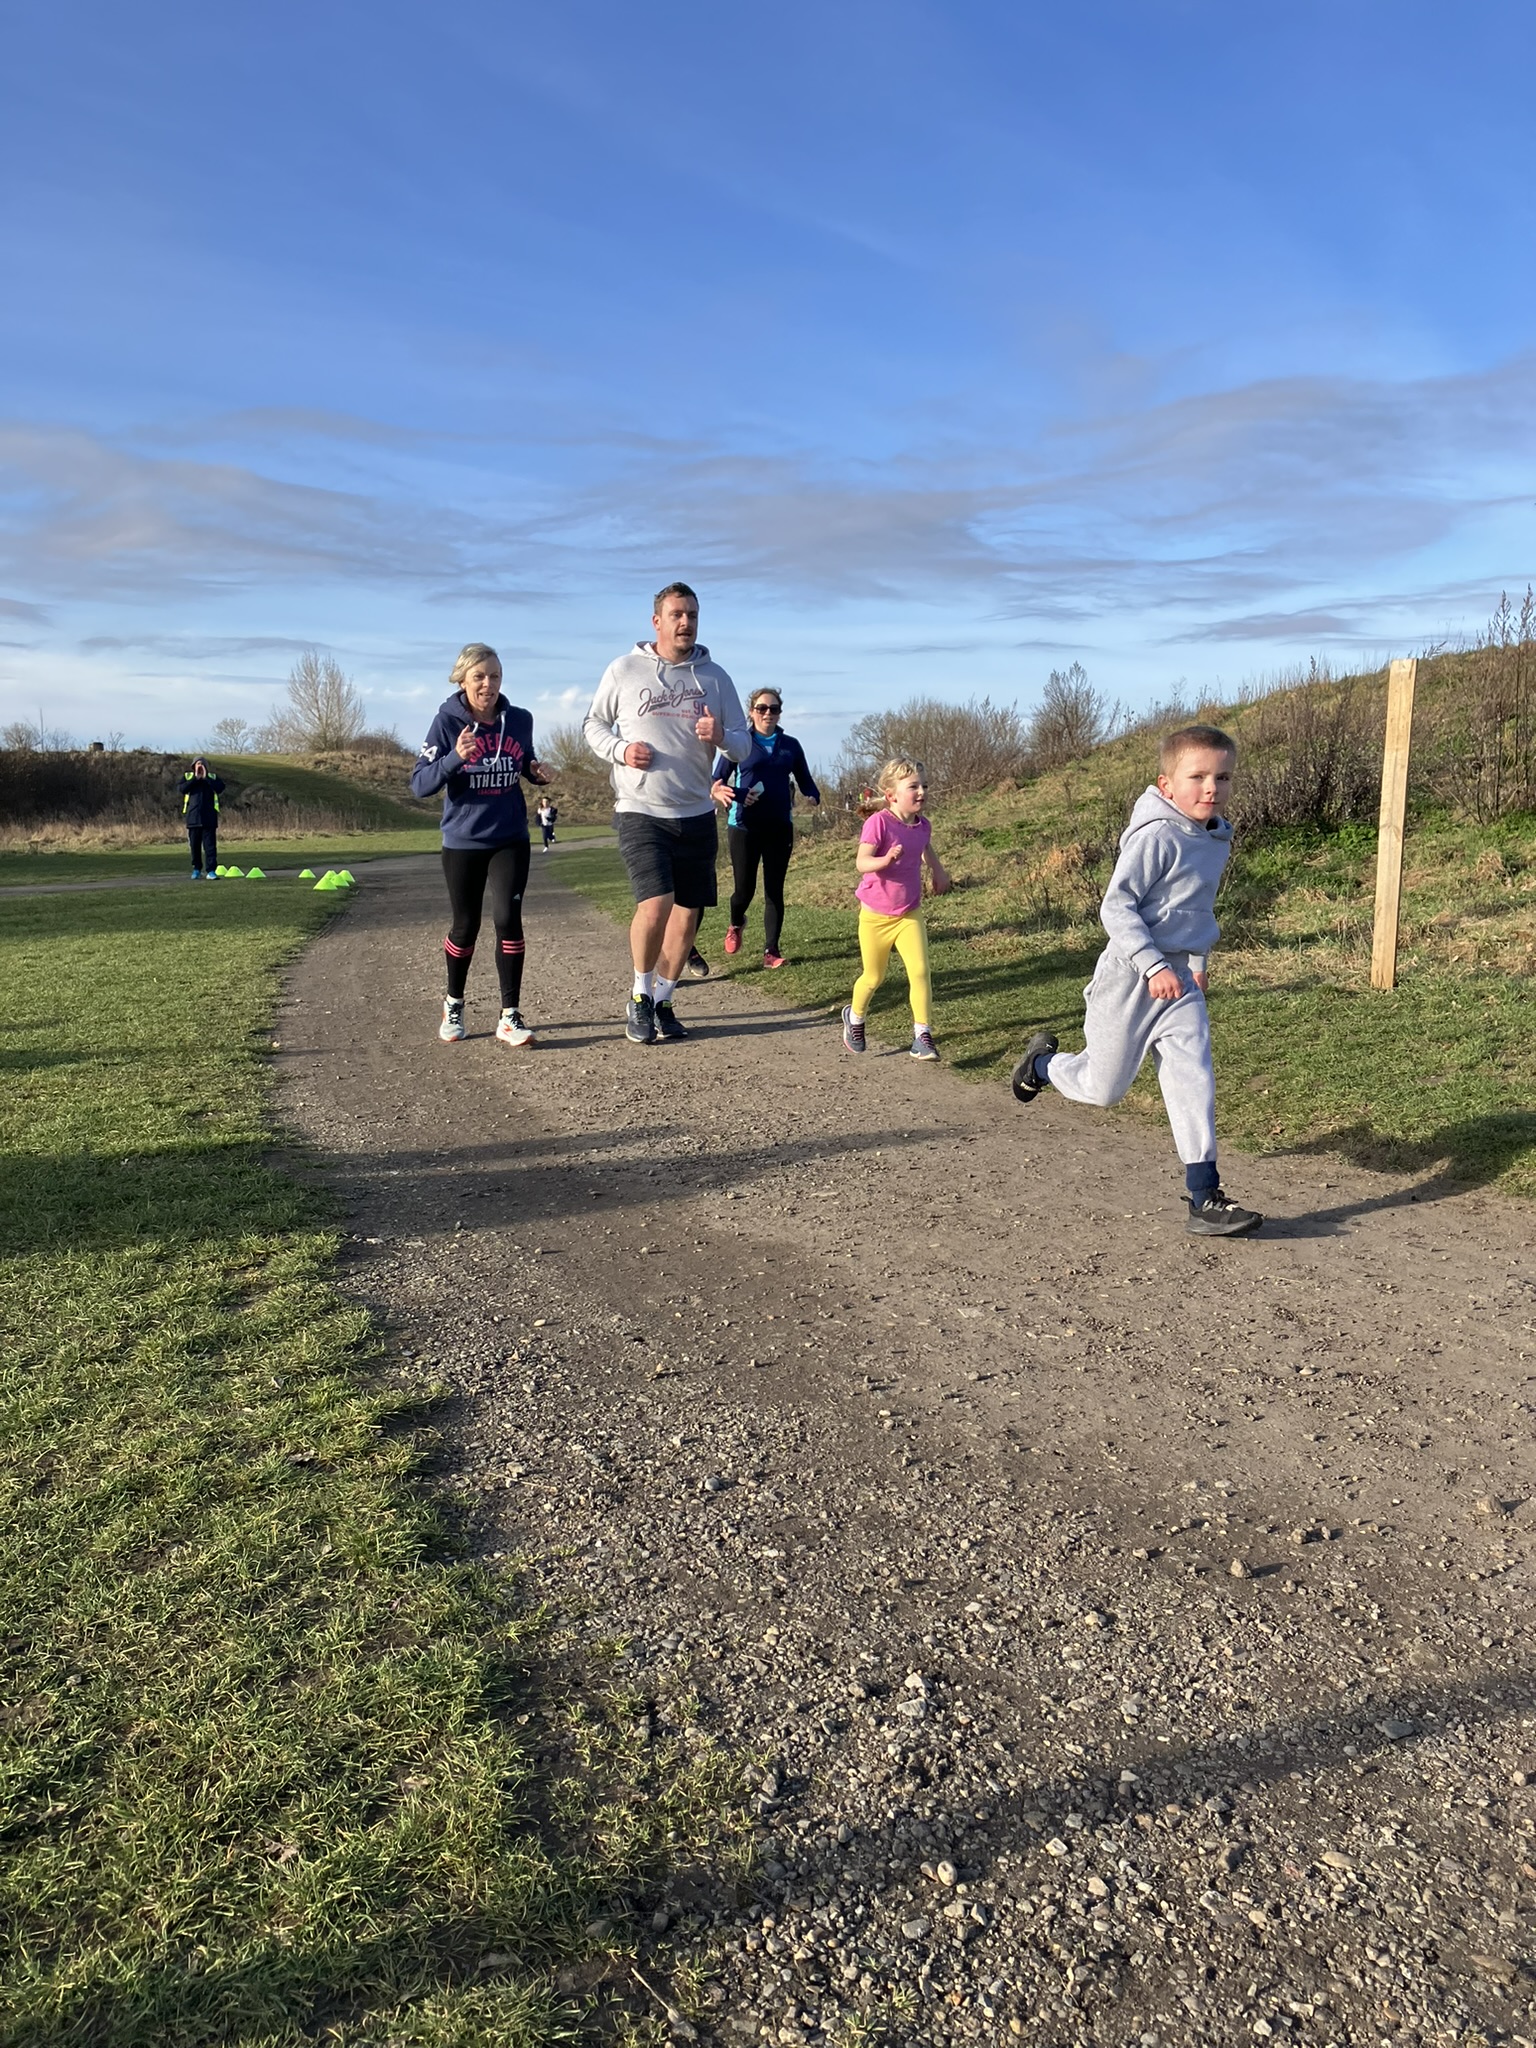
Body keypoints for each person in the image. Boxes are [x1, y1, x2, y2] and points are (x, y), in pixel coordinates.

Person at [1008, 724, 1263, 1238]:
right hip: (1130, 978)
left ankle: (1205, 1196)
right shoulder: (1157, 836)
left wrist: (1196, 962)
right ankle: (1041, 1064)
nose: (1211, 788)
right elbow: (1116, 907)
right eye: (1197, 777)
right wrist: (1151, 965)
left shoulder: (1215, 837)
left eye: (1222, 777)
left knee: (1193, 1078)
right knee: (1104, 1090)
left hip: (1179, 983)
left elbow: (1195, 908)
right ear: (1166, 785)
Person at [583, 582, 749, 1044]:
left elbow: (743, 743)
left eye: (692, 615)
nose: (685, 623)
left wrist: (721, 736)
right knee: (655, 904)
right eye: (677, 614)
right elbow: (593, 724)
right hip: (641, 807)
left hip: (695, 811)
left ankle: (663, 1000)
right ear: (657, 621)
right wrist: (621, 750)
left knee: (687, 915)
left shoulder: (715, 678)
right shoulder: (624, 669)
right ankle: (639, 995)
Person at [411, 642, 554, 1048]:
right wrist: (454, 758)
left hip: (510, 838)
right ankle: (453, 1003)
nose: (488, 684)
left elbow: (524, 761)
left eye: (494, 676)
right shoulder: (446, 722)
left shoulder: (519, 720)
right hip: (463, 842)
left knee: (508, 920)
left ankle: (510, 1016)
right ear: (462, 680)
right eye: (479, 677)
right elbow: (419, 784)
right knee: (466, 925)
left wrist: (536, 773)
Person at [840, 757, 951, 1061]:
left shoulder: (922, 826)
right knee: (873, 977)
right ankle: (855, 1018)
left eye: (924, 785)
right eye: (913, 786)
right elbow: (862, 862)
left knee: (920, 971)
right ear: (891, 794)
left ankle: (922, 1036)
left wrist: (938, 871)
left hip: (908, 913)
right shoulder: (878, 823)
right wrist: (886, 860)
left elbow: (924, 847)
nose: (921, 792)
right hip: (875, 916)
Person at [711, 687, 820, 967]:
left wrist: (812, 795)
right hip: (744, 826)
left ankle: (771, 951)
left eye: (774, 709)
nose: (768, 713)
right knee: (743, 891)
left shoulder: (790, 745)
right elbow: (717, 783)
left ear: (780, 713)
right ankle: (736, 922)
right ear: (752, 712)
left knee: (774, 890)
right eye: (762, 708)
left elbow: (805, 780)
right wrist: (739, 794)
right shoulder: (739, 743)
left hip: (779, 826)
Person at [180, 757, 225, 879]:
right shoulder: (188, 777)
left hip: (209, 819)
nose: (200, 766)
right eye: (198, 764)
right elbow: (182, 789)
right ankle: (196, 869)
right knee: (195, 847)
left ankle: (211, 871)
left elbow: (220, 788)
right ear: (193, 766)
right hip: (193, 819)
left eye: (202, 764)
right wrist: (195, 778)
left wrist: (206, 778)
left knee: (210, 847)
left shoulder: (212, 778)